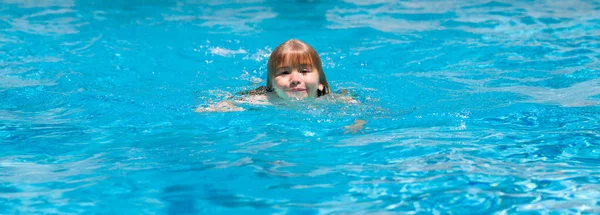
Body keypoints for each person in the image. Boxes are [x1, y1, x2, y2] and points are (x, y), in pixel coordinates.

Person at [196, 39, 354, 113]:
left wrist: (356, 124)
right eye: (284, 72)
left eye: (304, 71)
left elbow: (366, 113)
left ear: (320, 82)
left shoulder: (330, 99)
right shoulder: (264, 99)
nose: (295, 80)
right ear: (271, 83)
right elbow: (226, 102)